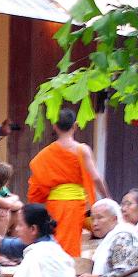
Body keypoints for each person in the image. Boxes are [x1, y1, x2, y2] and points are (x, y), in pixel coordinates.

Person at [28, 108, 110, 257]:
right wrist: (107, 198)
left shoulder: (46, 153)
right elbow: (96, 178)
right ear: (75, 125)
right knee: (70, 244)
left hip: (54, 203)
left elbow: (37, 181)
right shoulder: (82, 150)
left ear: (55, 126)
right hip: (74, 204)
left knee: (56, 240)